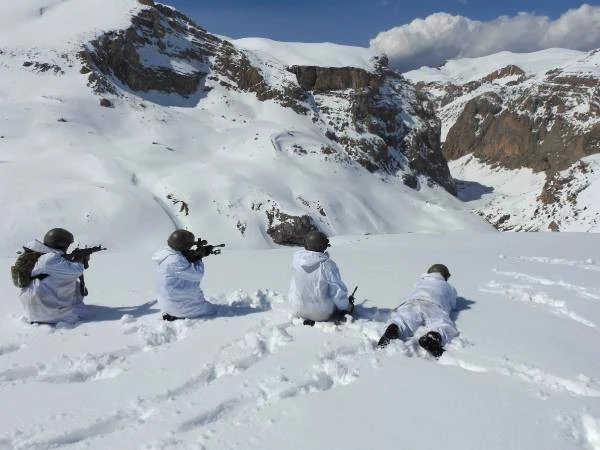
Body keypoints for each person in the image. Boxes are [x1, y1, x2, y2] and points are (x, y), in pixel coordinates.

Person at [377, 264, 457, 357]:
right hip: (434, 305)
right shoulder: (449, 287)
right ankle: (432, 337)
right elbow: (453, 304)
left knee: (403, 319)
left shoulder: (420, 283)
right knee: (441, 324)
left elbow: (409, 295)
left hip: (413, 302)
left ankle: (395, 328)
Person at [18, 228, 92, 324]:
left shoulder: (42, 255)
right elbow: (76, 271)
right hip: (44, 311)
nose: (68, 247)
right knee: (74, 288)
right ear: (61, 244)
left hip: (33, 308)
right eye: (68, 244)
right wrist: (81, 259)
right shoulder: (50, 258)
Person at [288, 231, 354, 326]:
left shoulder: (296, 260)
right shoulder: (327, 265)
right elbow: (337, 292)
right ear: (323, 246)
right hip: (321, 313)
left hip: (297, 308)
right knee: (343, 305)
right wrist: (346, 307)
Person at [152, 229, 216, 321]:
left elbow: (182, 263)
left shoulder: (166, 254)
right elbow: (197, 274)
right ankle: (181, 315)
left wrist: (192, 257)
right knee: (212, 310)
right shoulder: (175, 261)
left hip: (167, 302)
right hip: (179, 306)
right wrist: (199, 258)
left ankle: (175, 313)